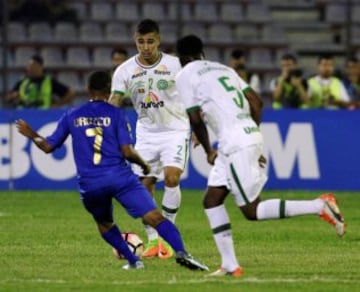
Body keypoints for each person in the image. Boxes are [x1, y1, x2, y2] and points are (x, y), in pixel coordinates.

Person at [175, 35, 346, 277]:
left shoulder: (185, 75)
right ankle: (230, 265)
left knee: (251, 210)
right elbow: (255, 101)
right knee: (212, 199)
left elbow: (194, 118)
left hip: (233, 143)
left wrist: (208, 150)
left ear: (180, 58)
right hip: (240, 137)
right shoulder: (224, 69)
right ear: (202, 52)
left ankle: (320, 205)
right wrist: (252, 134)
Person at [15, 70, 208, 272]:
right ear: (109, 91)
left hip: (91, 183)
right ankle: (182, 253)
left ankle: (134, 261)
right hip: (120, 178)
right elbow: (126, 150)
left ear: (88, 90)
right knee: (155, 217)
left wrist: (31, 134)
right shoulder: (116, 114)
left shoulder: (72, 115)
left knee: (105, 224)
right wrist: (143, 165)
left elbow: (48, 147)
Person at [109, 19, 190, 259]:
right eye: (141, 42)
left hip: (175, 129)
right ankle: (155, 243)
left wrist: (200, 124)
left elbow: (195, 93)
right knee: (144, 186)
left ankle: (167, 235)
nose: (145, 47)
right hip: (146, 133)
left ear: (159, 41)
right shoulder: (124, 70)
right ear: (135, 41)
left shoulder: (175, 65)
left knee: (172, 176)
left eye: (150, 41)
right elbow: (115, 99)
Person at [6, 54, 75, 109]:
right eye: (29, 66)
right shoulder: (22, 81)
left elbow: (70, 94)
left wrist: (57, 104)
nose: (29, 68)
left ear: (40, 67)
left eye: (32, 66)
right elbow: (9, 98)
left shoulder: (49, 82)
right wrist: (12, 97)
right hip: (23, 115)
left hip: (43, 116)